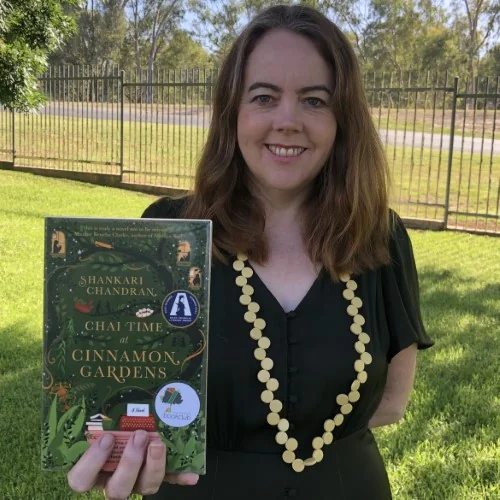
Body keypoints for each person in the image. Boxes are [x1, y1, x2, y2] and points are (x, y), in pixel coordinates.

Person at [67, 4, 434, 499]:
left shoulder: (379, 237)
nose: (288, 120)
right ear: (231, 112)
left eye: (315, 100)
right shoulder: (169, 233)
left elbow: (392, 402)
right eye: (263, 97)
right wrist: (114, 449)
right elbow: (123, 396)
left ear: (342, 120)